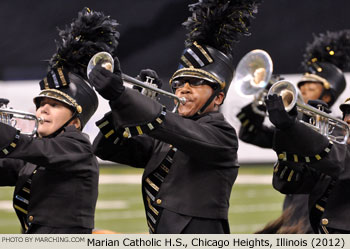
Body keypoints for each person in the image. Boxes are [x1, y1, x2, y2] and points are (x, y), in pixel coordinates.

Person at [91, 0, 262, 234]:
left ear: (219, 97)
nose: (184, 89)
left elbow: (173, 127)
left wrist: (123, 97)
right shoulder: (164, 138)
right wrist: (124, 103)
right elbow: (105, 147)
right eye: (179, 83)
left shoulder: (222, 136)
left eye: (197, 82)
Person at [0, 7, 119, 234]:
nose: (44, 108)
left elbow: (27, 146)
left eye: (54, 105)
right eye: (41, 104)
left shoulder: (77, 148)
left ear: (75, 121)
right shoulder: (34, 157)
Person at [236, 30, 349, 233]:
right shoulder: (298, 122)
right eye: (302, 86)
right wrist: (263, 112)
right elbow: (251, 135)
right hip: (295, 207)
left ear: (328, 94)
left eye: (311, 87)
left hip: (325, 216)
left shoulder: (340, 131)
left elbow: (335, 159)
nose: (303, 91)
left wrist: (293, 127)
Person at [265, 91, 350, 233]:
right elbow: (289, 183)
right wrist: (287, 131)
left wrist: (295, 128)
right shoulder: (338, 153)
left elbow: (336, 163)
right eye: (347, 114)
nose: (347, 120)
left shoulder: (338, 156)